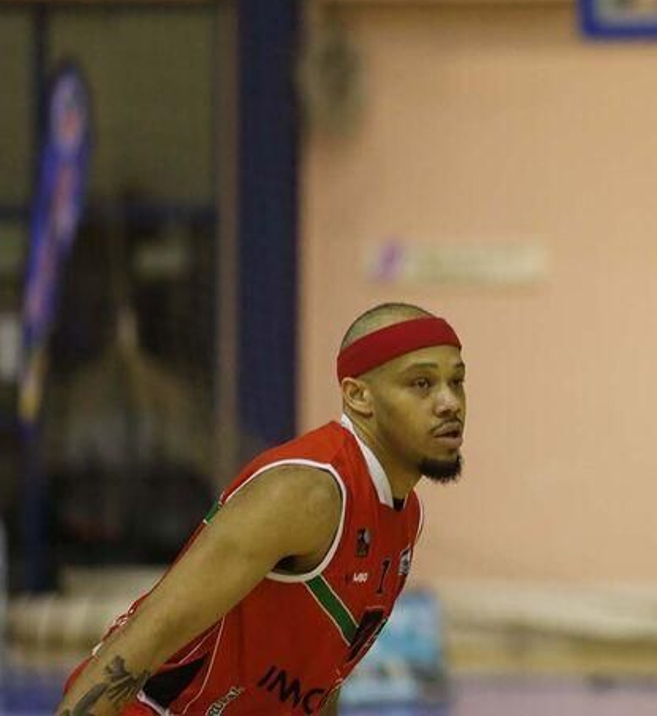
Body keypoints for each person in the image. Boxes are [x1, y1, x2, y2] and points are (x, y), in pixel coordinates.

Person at [56, 303, 467, 715]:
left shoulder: (404, 514)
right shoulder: (306, 492)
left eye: (457, 381)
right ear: (358, 397)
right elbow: (146, 634)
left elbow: (322, 678)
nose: (450, 403)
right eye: (421, 383)